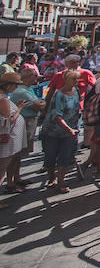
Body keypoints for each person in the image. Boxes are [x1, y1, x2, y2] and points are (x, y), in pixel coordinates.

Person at [40, 70, 82, 194]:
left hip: (70, 130)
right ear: (66, 80)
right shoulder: (59, 95)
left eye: (76, 80)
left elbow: (76, 108)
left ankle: (61, 183)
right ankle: (52, 178)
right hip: (53, 130)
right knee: (50, 156)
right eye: (74, 79)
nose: (76, 82)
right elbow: (56, 116)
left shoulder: (76, 91)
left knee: (65, 156)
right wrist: (69, 129)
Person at [0, 73, 28, 201]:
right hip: (7, 139)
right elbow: (9, 120)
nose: (15, 88)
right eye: (15, 85)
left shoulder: (4, 98)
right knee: (2, 170)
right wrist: (19, 108)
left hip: (8, 138)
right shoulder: (3, 99)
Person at [9, 65, 45, 156]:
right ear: (28, 77)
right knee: (19, 153)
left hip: (29, 122)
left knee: (23, 152)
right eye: (35, 76)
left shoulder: (28, 89)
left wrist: (41, 103)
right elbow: (37, 106)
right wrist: (41, 104)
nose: (37, 78)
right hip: (25, 122)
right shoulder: (22, 92)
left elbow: (39, 103)